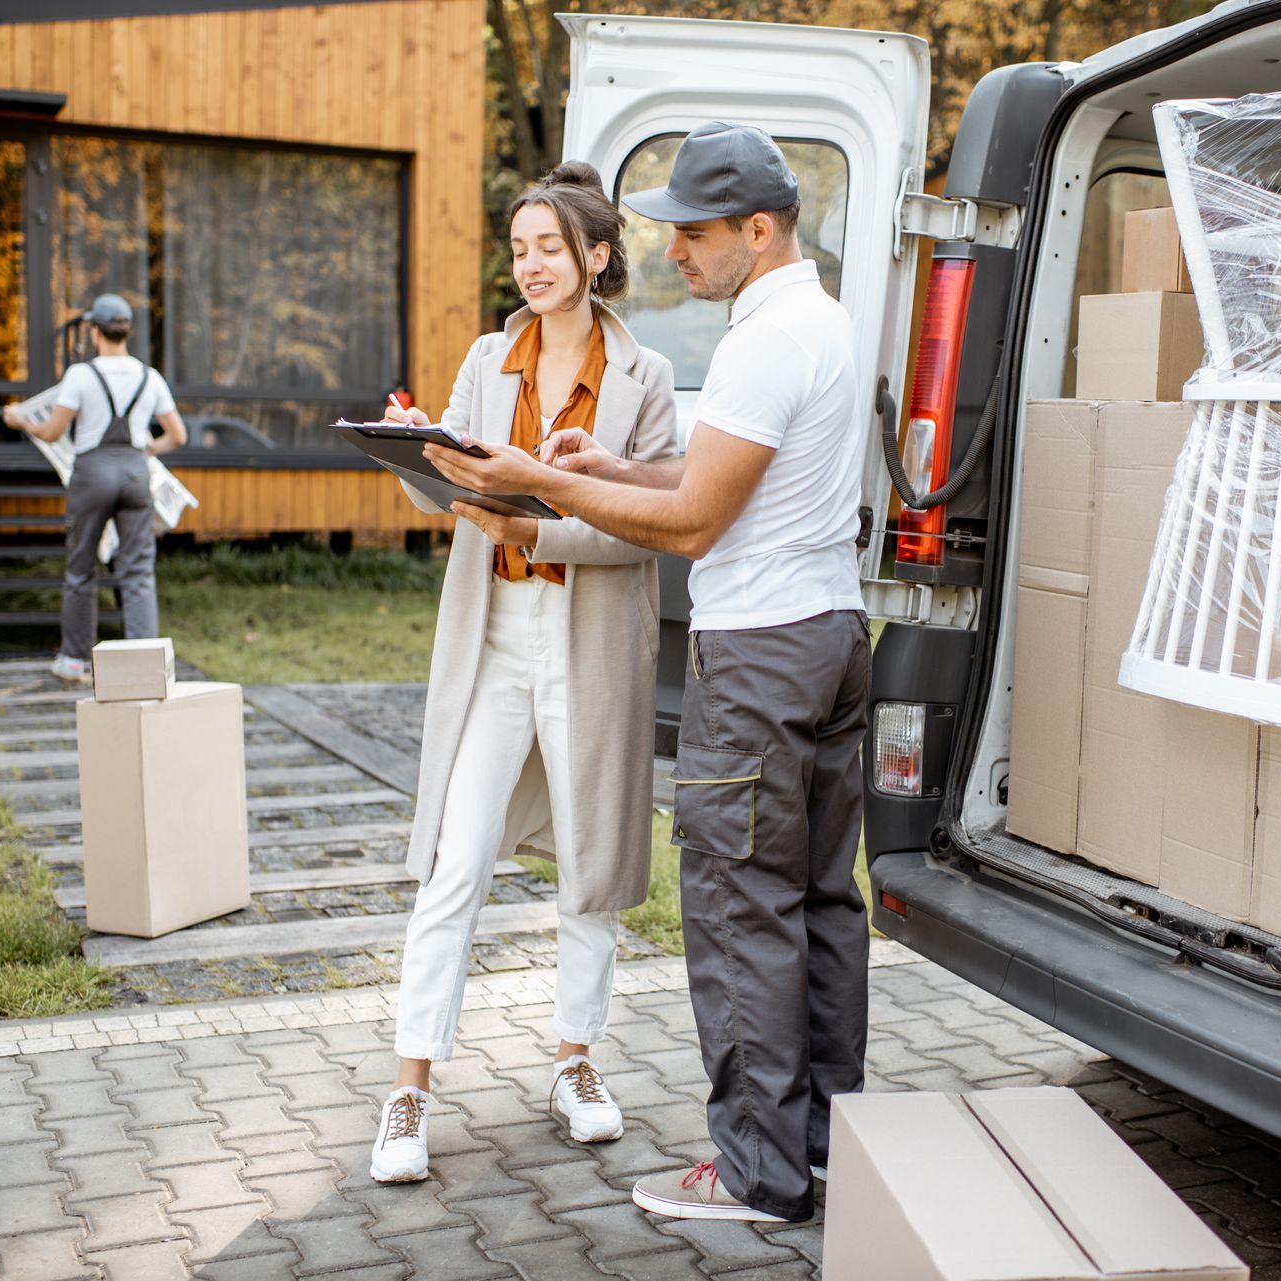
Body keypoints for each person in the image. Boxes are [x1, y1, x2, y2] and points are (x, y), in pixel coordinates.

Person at [425, 123, 870, 1225]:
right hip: (826, 637)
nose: (674, 252)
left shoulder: (764, 340)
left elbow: (693, 520)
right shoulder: (818, 319)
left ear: (758, 230)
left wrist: (544, 482)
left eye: (696, 235)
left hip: (760, 659)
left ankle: (758, 1175)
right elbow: (712, 475)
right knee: (818, 903)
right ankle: (823, 1146)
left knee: (739, 913)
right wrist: (613, 463)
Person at [366, 162, 680, 1185]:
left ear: (595, 258)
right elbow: (447, 494)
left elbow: (651, 529)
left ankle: (575, 1061)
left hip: (589, 642)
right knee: (457, 860)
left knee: (590, 864)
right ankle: (409, 1088)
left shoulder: (650, 381)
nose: (531, 265)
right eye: (519, 249)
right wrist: (419, 454)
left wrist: (540, 530)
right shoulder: (487, 357)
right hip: (494, 637)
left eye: (550, 247)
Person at [3, 294, 186, 684]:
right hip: (136, 473)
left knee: (82, 568)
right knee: (137, 571)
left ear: (94, 331)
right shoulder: (149, 376)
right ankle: (145, 668)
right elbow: (178, 435)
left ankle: (74, 661)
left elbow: (53, 432)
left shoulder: (81, 375)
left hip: (92, 474)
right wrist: (149, 447)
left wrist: (21, 421)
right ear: (127, 331)